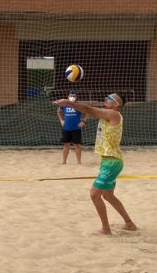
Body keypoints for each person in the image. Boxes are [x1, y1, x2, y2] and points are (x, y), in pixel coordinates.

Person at [53, 92, 137, 235]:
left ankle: (106, 229)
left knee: (94, 194)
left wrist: (69, 103)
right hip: (109, 161)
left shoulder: (113, 114)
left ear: (116, 104)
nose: (106, 98)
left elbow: (90, 110)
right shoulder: (108, 113)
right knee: (108, 196)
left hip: (112, 162)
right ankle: (129, 223)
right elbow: (89, 109)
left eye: (109, 98)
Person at [55, 90, 87, 164]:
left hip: (76, 129)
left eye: (74, 96)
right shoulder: (64, 105)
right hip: (66, 128)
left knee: (77, 145)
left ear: (76, 97)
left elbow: (87, 112)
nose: (72, 97)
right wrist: (61, 120)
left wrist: (83, 121)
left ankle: (79, 162)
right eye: (71, 95)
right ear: (68, 97)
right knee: (66, 145)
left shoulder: (79, 105)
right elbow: (58, 111)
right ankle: (64, 161)